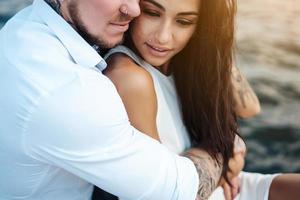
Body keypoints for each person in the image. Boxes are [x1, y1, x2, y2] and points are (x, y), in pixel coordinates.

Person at [0, 0, 242, 199]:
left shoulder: (27, 27)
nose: (134, 10)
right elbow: (172, 192)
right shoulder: (67, 91)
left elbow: (248, 105)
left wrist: (213, 53)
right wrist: (223, 149)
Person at [104, 0, 300, 199]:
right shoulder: (129, 77)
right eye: (152, 13)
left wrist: (213, 51)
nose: (163, 37)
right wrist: (224, 158)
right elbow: (160, 191)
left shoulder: (181, 63)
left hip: (228, 187)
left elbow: (249, 107)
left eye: (184, 21)